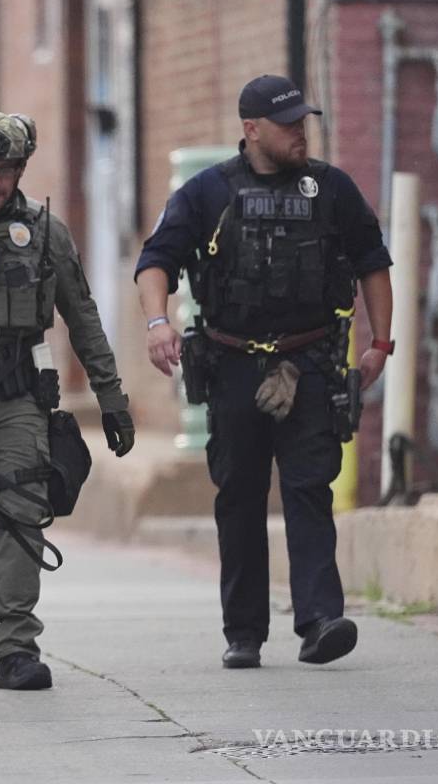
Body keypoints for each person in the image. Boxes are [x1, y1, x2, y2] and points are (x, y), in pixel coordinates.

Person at [135, 75, 394, 669]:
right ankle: (244, 633)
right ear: (252, 130)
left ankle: (321, 620)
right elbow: (157, 261)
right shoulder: (207, 193)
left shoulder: (331, 189)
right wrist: (157, 324)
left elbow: (372, 262)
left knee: (308, 488)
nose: (301, 132)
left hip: (308, 362)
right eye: (288, 125)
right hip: (230, 364)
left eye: (304, 122)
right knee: (240, 496)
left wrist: (380, 343)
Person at [0, 112, 135, 692]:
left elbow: (82, 318)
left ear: (20, 169)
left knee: (21, 507)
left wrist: (111, 399)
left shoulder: (45, 232)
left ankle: (16, 647)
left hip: (16, 394)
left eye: (5, 170)